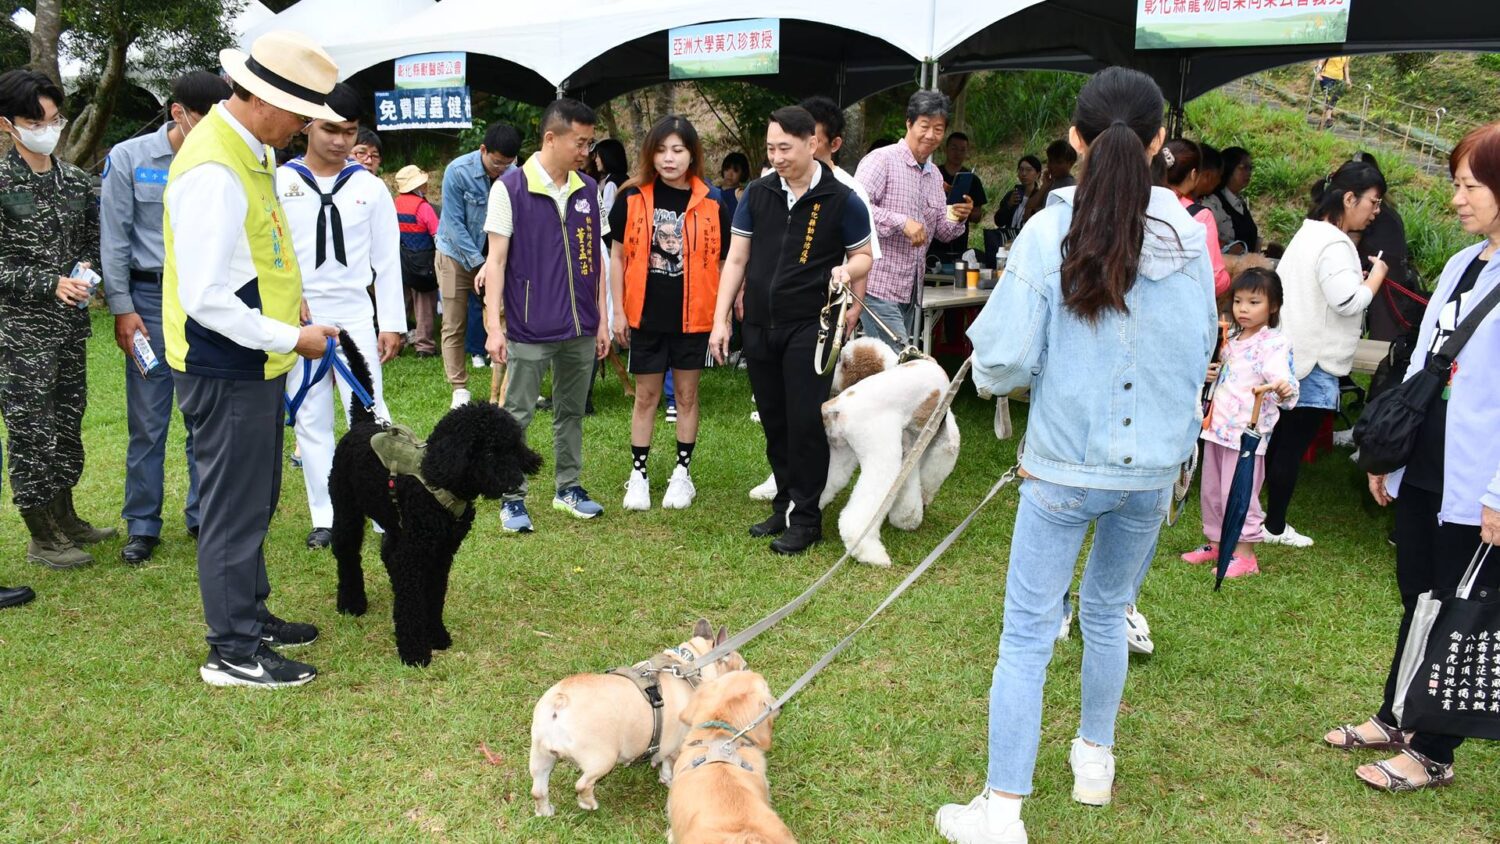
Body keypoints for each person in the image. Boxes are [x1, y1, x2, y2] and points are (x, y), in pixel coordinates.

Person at [935, 66, 1216, 844]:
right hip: (1152, 471)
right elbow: (1202, 346)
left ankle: (1002, 810)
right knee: (1107, 610)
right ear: (1159, 142)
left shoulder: (1049, 229)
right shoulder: (1191, 238)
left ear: (1074, 138)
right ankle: (1094, 759)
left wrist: (1018, 376)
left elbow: (1000, 361)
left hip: (1062, 465)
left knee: (1029, 632)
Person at [163, 31, 343, 687]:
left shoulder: (251, 149)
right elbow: (207, 296)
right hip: (225, 362)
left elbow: (258, 249)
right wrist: (291, 338)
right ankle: (232, 652)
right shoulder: (214, 168)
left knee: (255, 500)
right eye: (301, 115)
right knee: (232, 513)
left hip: (254, 356)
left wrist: (291, 308)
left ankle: (250, 615)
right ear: (265, 100)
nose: (304, 129)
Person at [1329, 122, 1500, 792]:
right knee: (1419, 593)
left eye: (1470, 186)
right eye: (1457, 184)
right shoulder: (1463, 264)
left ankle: (1434, 750)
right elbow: (1420, 371)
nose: (1456, 199)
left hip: (1479, 476)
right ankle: (1396, 715)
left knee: (1459, 606)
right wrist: (1387, 457)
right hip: (1428, 457)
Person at [709, 106, 873, 554]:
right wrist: (721, 319)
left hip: (811, 327)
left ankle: (806, 518)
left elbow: (863, 256)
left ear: (812, 144)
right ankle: (783, 504)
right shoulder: (757, 193)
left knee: (804, 421)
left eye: (785, 148)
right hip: (759, 324)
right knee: (775, 419)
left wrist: (847, 269)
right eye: (771, 148)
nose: (777, 157)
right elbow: (737, 258)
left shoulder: (842, 199)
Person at [100, 70, 229, 565]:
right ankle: (142, 524)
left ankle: (203, 515)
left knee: (205, 416)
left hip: (206, 304)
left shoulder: (223, 158)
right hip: (149, 304)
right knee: (149, 421)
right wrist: (122, 308)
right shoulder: (130, 158)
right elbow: (115, 238)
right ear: (178, 113)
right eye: (206, 118)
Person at [277, 82, 404, 549]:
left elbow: (387, 261)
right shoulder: (280, 182)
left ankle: (380, 506)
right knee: (310, 414)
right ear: (308, 124)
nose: (339, 140)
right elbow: (270, 252)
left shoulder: (370, 187)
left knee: (369, 410)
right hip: (301, 313)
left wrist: (391, 323)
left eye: (349, 131)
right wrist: (286, 299)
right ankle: (326, 515)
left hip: (355, 310)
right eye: (330, 129)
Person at [480, 99, 609, 533]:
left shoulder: (587, 189)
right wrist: (493, 326)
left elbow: (598, 260)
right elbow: (496, 262)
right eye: (580, 143)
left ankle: (568, 487)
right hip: (530, 327)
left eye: (590, 144)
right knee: (517, 416)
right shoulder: (510, 189)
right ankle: (511, 496)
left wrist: (601, 319)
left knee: (571, 412)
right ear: (551, 138)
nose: (586, 152)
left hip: (581, 327)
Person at [0, 69, 112, 571]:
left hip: (69, 329)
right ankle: (41, 535)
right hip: (19, 333)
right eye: (35, 122)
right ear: (7, 124)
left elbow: (93, 241)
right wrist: (48, 282)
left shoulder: (74, 181)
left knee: (67, 423)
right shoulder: (3, 182)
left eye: (54, 119)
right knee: (31, 430)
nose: (48, 129)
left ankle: (66, 517)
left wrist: (87, 271)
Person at [1261, 161, 1389, 548]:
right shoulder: (1335, 243)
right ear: (1349, 198)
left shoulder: (1309, 232)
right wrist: (1376, 277)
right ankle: (1274, 526)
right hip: (1313, 363)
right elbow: (1348, 301)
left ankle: (1260, 519)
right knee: (1289, 447)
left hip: (1292, 354)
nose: (1376, 211)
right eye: (1374, 201)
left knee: (1278, 442)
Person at [608, 115, 730, 512]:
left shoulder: (712, 202)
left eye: (678, 150)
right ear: (650, 154)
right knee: (646, 396)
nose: (669, 158)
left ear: (692, 154)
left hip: (693, 318)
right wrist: (618, 312)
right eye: (661, 150)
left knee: (688, 396)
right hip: (645, 315)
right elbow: (616, 257)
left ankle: (682, 474)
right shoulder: (631, 198)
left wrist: (723, 317)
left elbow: (726, 261)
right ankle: (638, 475)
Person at [1180, 268, 1298, 577]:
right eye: (1238, 301)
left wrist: (1283, 388)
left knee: (1240, 493)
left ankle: (1245, 554)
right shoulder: (1230, 339)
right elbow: (1223, 377)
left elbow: (1283, 382)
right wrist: (1209, 374)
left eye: (1254, 302)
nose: (1243, 309)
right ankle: (1218, 543)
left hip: (1247, 435)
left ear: (1273, 306)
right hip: (1217, 429)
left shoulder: (1273, 343)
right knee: (1212, 491)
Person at [855, 90, 970, 353]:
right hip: (876, 283)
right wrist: (901, 222)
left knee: (886, 361)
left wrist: (958, 216)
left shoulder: (934, 175)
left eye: (938, 129)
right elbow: (854, 210)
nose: (931, 135)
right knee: (900, 357)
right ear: (909, 123)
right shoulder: (881, 160)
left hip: (910, 287)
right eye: (924, 126)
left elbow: (942, 231)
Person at [435, 122, 520, 406]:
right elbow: (453, 224)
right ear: (483, 150)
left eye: (508, 164)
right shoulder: (457, 171)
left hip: (497, 259)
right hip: (456, 256)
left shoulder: (514, 175)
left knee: (512, 319)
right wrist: (481, 263)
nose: (501, 169)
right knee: (454, 322)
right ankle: (459, 389)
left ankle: (514, 382)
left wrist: (493, 264)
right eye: (497, 163)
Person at [1350, 151, 1419, 341]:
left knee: (1383, 328)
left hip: (1384, 275)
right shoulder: (1389, 211)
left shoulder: (1372, 211)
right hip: (1392, 275)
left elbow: (1353, 241)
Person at [1157, 138, 1231, 295]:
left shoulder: (1137, 203)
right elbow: (1215, 279)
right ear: (1193, 174)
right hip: (1180, 301)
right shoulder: (1201, 216)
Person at [394, 164, 440, 356]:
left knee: (401, 303)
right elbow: (438, 235)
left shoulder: (395, 203)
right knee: (424, 306)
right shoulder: (423, 207)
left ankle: (396, 343)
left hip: (400, 259)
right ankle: (424, 346)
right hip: (423, 263)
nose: (426, 185)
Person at [931, 131, 988, 263]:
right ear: (945, 149)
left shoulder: (972, 180)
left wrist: (965, 210)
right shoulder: (934, 174)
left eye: (962, 150)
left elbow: (977, 216)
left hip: (959, 241)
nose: (958, 153)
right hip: (932, 240)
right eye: (954, 148)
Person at [1202, 146, 1260, 253]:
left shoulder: (1240, 202)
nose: (1248, 173)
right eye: (1243, 167)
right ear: (1229, 168)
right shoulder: (1212, 203)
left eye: (1250, 168)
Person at [1021, 138, 1078, 224]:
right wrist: (1045, 186)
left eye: (1059, 162)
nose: (1052, 166)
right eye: (1050, 161)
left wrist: (1033, 213)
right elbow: (1029, 206)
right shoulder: (1051, 182)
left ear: (1070, 163)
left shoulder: (1070, 187)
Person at [993, 154, 1042, 237]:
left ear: (1038, 174)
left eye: (1029, 170)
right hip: (1010, 239)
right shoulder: (1012, 195)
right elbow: (998, 222)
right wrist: (1009, 205)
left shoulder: (1040, 197)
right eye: (1021, 169)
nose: (1024, 173)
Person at [1314, 55, 1351, 129]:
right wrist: (1318, 74)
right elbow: (1321, 62)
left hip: (1338, 79)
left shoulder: (1347, 55)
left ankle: (1324, 121)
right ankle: (1328, 118)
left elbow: (1346, 67)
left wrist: (1347, 79)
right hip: (1326, 77)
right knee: (1328, 96)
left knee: (1335, 97)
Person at [719, 150, 751, 220]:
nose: (730, 174)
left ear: (742, 173)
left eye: (735, 171)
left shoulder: (742, 195)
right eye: (727, 169)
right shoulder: (714, 192)